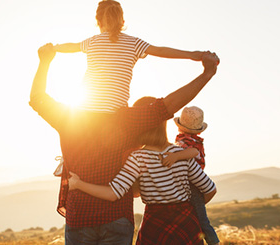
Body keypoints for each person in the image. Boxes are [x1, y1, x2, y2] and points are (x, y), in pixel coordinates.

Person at [30, 43, 219, 244]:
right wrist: (207, 73)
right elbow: (170, 104)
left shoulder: (69, 117)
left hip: (81, 216)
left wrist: (45, 62)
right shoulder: (131, 121)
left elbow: (37, 98)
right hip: (122, 217)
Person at [67, 96, 217, 244]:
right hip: (187, 227)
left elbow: (113, 193)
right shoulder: (181, 153)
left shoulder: (138, 158)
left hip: (155, 227)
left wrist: (78, 184)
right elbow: (210, 189)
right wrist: (187, 209)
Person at [54, 0, 206, 112]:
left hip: (85, 110)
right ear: (122, 21)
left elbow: (71, 46)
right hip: (116, 112)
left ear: (98, 21)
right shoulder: (134, 43)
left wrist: (53, 48)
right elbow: (160, 51)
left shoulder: (92, 41)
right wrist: (192, 55)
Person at [160, 105, 220, 244]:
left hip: (191, 182)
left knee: (201, 218)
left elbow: (193, 152)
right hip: (193, 181)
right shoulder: (192, 139)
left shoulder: (186, 141)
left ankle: (213, 241)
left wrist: (175, 157)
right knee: (197, 215)